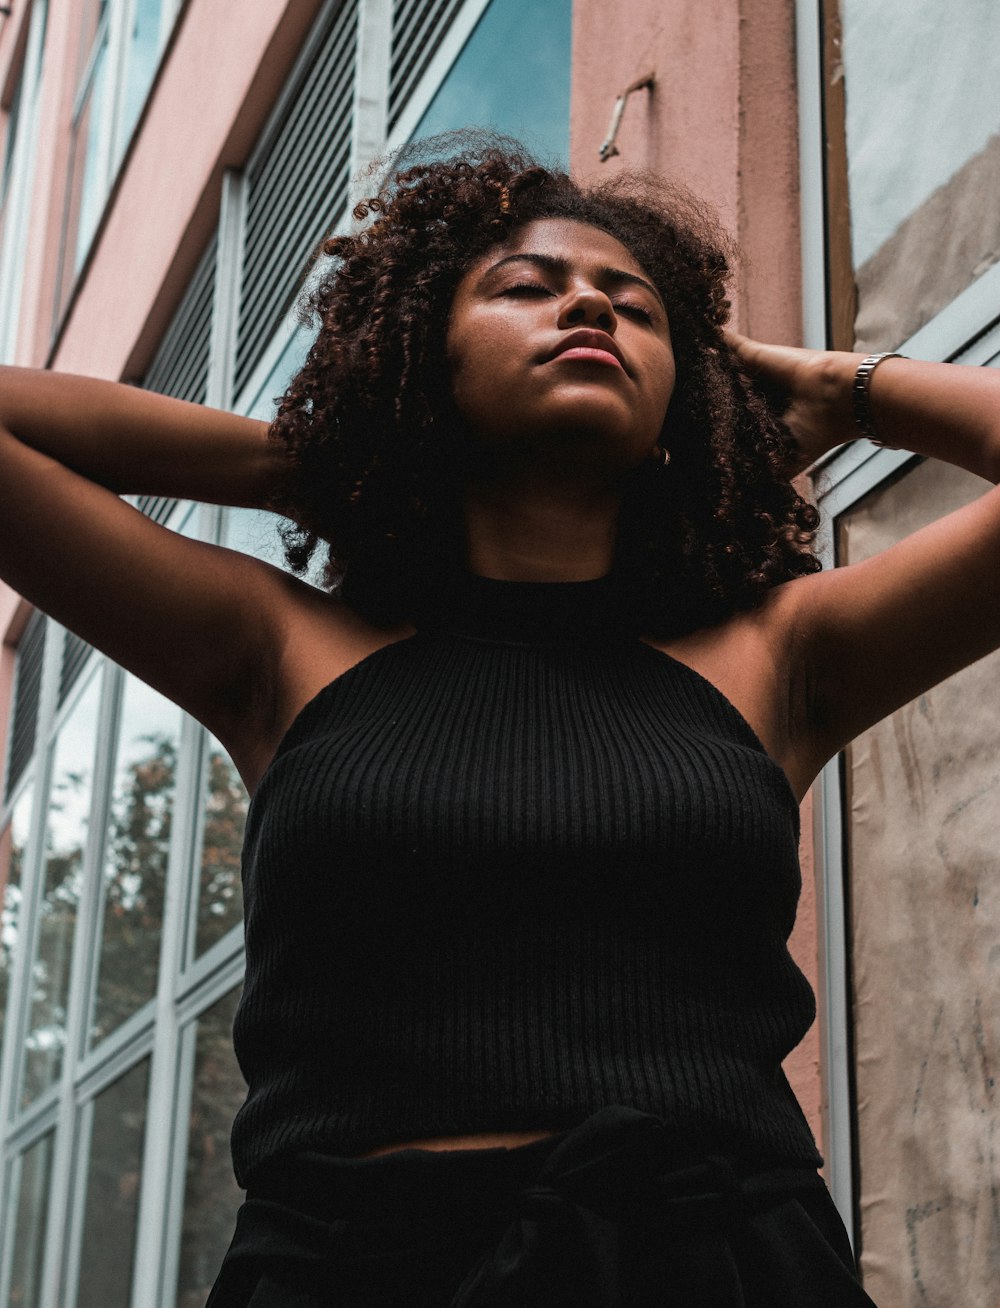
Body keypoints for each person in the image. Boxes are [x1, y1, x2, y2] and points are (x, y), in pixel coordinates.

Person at [1, 137, 997, 1307]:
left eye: (637, 308)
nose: (588, 302)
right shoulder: (279, 649)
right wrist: (322, 455)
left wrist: (847, 391)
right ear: (420, 363)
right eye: (526, 286)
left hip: (720, 1262)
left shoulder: (778, 656)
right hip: (348, 1271)